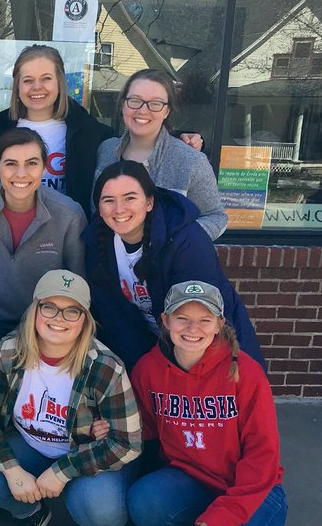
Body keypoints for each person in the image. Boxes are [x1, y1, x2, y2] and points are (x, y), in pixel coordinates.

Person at [0, 270, 142, 526]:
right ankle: (30, 512)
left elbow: (127, 443)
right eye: (50, 307)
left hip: (84, 453)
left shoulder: (104, 366)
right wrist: (13, 471)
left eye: (72, 310)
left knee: (101, 507)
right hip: (30, 445)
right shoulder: (8, 352)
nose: (60, 318)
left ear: (84, 320)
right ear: (34, 311)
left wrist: (63, 471)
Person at [128, 280, 286, 526]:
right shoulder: (148, 370)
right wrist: (107, 425)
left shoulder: (245, 373)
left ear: (219, 325)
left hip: (252, 488)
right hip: (190, 478)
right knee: (145, 499)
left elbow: (263, 454)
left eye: (204, 319)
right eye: (182, 318)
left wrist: (228, 512)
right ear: (165, 321)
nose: (193, 328)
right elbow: (144, 428)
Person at [84, 160, 263, 373]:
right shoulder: (97, 241)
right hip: (148, 342)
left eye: (130, 198)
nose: (119, 209)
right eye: (108, 200)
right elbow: (114, 317)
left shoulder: (187, 240)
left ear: (149, 202)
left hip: (208, 345)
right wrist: (141, 370)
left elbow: (198, 319)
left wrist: (170, 373)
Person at [0, 128, 86, 354]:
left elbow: (78, 278)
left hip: (45, 327)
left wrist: (57, 319)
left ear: (44, 168)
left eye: (31, 163)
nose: (21, 173)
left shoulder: (69, 215)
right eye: (11, 163)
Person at [0, 44, 114, 218]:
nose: (37, 86)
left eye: (46, 78)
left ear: (59, 82)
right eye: (28, 80)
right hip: (9, 228)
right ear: (17, 86)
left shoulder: (90, 132)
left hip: (66, 230)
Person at [95, 70, 227, 239]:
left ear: (167, 111)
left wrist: (179, 242)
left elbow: (216, 217)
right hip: (108, 261)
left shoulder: (191, 161)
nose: (143, 111)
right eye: (135, 101)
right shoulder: (105, 150)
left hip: (168, 264)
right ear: (123, 105)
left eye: (155, 103)